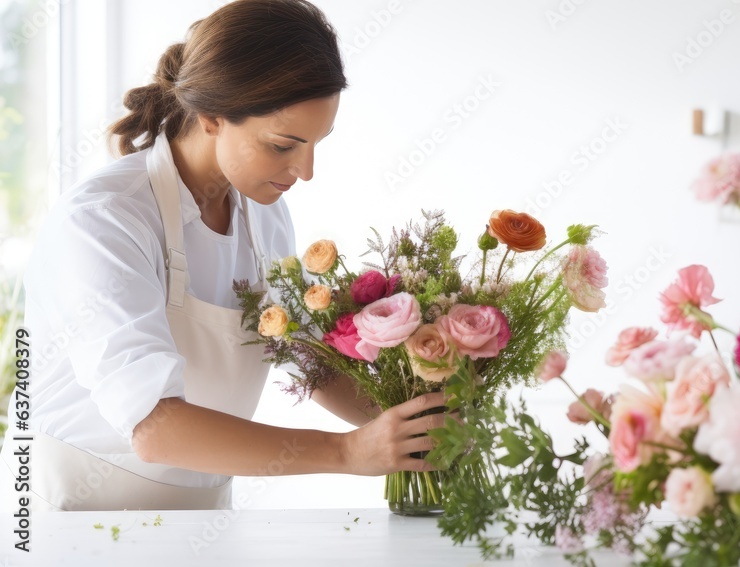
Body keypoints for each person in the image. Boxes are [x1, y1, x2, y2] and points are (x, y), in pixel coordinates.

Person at [0, 0, 446, 512]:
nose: (306, 171)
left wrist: (416, 420)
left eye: (317, 143)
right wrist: (347, 452)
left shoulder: (265, 215)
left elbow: (307, 358)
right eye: (284, 145)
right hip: (70, 516)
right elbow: (154, 428)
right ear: (212, 116)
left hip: (200, 516)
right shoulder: (104, 221)